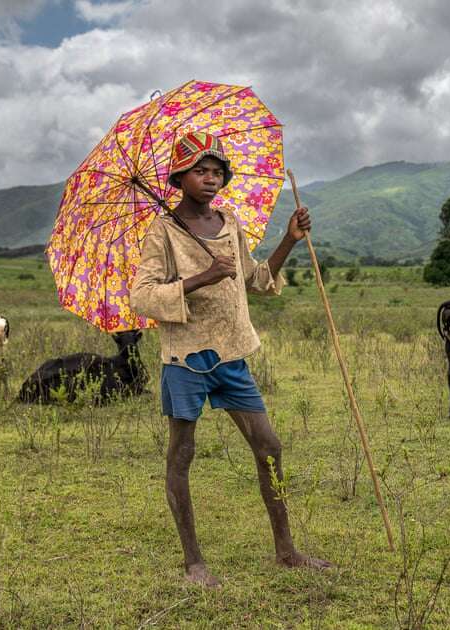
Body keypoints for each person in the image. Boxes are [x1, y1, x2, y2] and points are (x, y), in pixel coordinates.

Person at [130, 130, 330, 587]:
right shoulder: (163, 232)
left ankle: (286, 551)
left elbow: (258, 279)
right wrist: (201, 277)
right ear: (179, 177)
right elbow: (140, 297)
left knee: (269, 447)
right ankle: (194, 563)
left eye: (217, 172)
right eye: (200, 171)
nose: (211, 179)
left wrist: (289, 239)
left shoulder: (230, 223)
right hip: (185, 359)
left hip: (232, 355)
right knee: (182, 454)